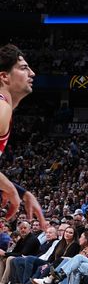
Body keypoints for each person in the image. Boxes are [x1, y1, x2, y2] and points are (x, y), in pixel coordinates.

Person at [0, 45, 36, 221]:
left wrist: (19, 191)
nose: (32, 73)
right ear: (4, 76)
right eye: (24, 68)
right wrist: (12, 189)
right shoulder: (2, 108)